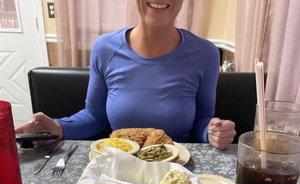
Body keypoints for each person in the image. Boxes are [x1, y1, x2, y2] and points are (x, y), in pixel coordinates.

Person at [16, 0, 236, 150]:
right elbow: (95, 117)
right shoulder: (104, 48)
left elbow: (201, 121)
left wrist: (213, 132)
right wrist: (57, 127)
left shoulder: (205, 54)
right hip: (117, 166)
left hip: (177, 167)